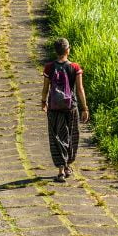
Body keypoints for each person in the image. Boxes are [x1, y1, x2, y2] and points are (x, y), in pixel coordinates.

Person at [40, 38, 89, 183]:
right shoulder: (74, 67)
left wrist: (43, 102)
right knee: (71, 136)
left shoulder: (49, 67)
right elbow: (80, 89)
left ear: (56, 51)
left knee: (57, 138)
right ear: (68, 50)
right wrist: (84, 108)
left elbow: (45, 88)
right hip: (71, 107)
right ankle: (67, 166)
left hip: (54, 108)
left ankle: (61, 171)